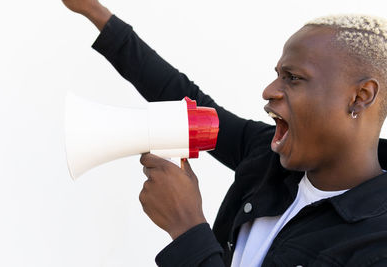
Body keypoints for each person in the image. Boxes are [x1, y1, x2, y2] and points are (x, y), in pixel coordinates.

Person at [62, 1, 387, 266]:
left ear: (360, 97)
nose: (268, 90)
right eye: (277, 75)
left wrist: (188, 227)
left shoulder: (377, 245)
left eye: (293, 78)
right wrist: (97, 14)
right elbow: (184, 97)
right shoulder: (265, 154)